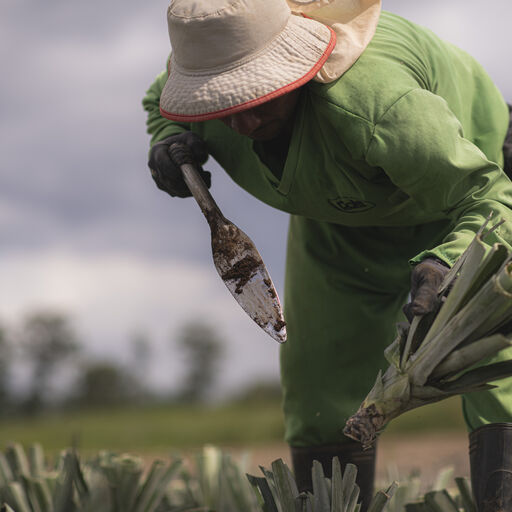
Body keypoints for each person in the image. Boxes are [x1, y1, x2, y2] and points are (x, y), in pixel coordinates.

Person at [143, 0, 512, 509]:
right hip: (339, 223)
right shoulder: (202, 101)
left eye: (259, 95)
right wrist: (167, 140)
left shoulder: (374, 104)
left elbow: (491, 198)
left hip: (465, 195)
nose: (246, 122)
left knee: (496, 371)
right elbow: (156, 100)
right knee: (319, 385)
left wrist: (450, 261)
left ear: (296, 68)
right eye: (228, 105)